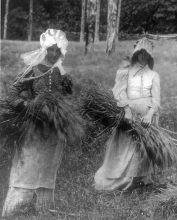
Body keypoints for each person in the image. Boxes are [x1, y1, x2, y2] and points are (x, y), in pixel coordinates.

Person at [1, 29, 83, 217]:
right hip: (35, 126)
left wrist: (63, 74)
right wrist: (27, 106)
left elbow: (69, 94)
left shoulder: (61, 72)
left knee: (48, 164)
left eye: (57, 50)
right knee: (28, 163)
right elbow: (13, 93)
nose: (54, 54)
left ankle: (43, 208)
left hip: (54, 126)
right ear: (44, 49)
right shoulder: (33, 69)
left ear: (62, 51)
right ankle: (15, 209)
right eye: (51, 50)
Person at [94, 38, 165, 191]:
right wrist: (126, 110)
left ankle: (139, 179)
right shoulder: (125, 73)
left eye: (146, 55)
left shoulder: (154, 76)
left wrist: (150, 114)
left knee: (141, 149)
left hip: (146, 116)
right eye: (140, 54)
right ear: (135, 54)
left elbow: (156, 100)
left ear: (150, 57)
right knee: (127, 146)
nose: (143, 58)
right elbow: (119, 93)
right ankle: (121, 180)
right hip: (129, 115)